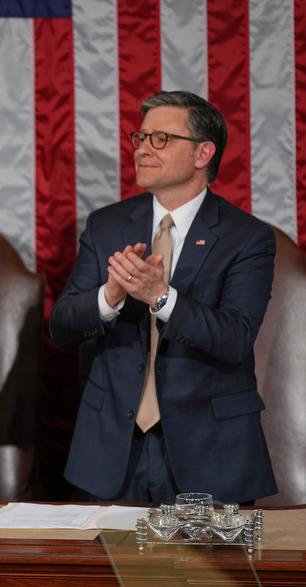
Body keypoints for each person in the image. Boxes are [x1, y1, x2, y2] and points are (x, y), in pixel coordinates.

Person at [49, 90, 277, 505]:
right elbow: (62, 326)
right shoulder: (107, 225)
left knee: (207, 574)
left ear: (203, 153)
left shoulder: (247, 238)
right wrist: (110, 295)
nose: (143, 150)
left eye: (161, 139)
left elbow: (235, 337)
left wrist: (161, 297)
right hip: (113, 451)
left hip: (210, 451)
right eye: (141, 138)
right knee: (109, 573)